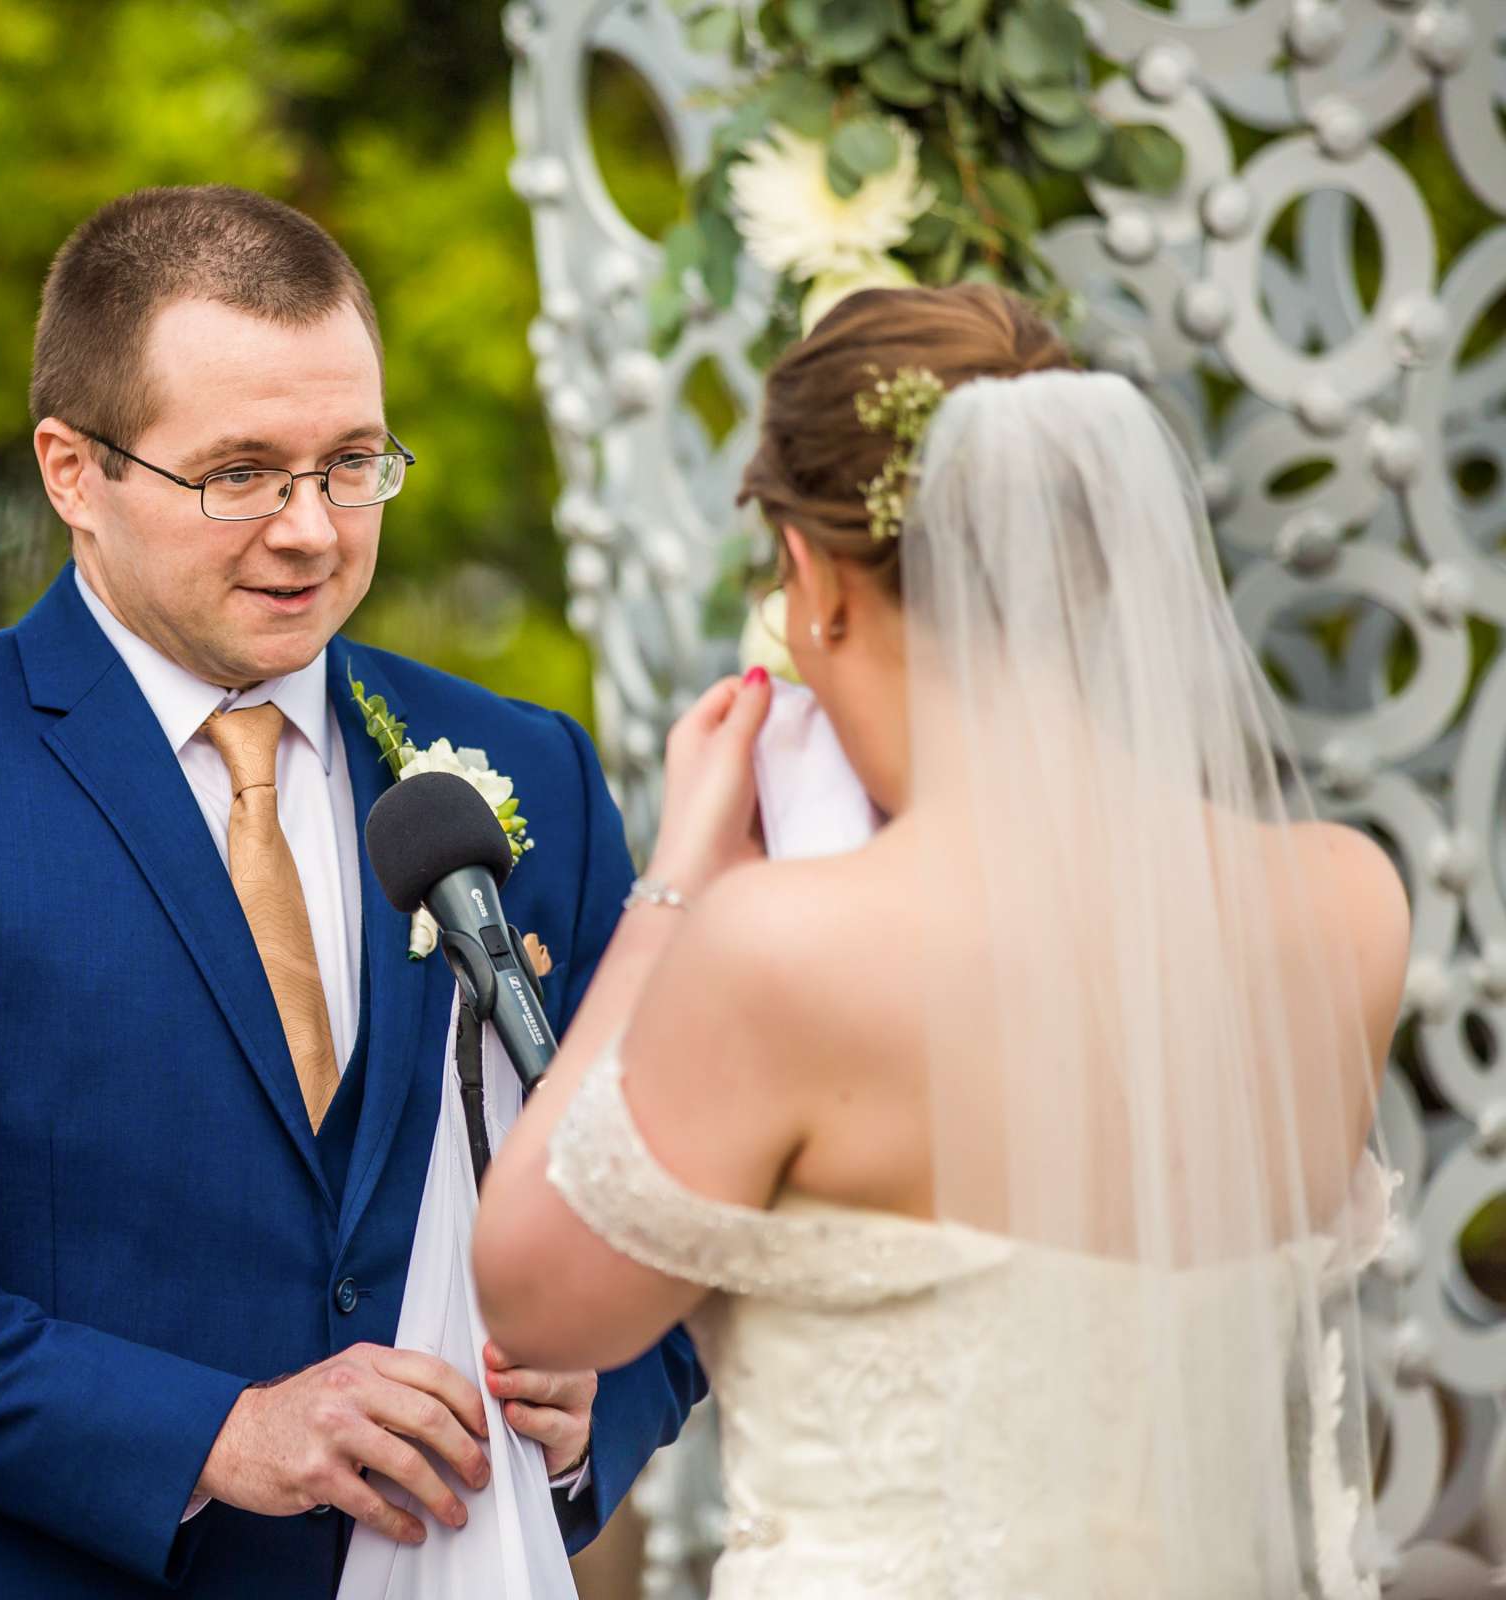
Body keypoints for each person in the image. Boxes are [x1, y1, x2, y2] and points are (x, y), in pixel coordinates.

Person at [0, 185, 703, 1600]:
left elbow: (661, 1198)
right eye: (239, 473)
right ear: (72, 471)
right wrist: (219, 1433)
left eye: (352, 462)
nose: (312, 529)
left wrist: (596, 1411)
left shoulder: (512, 770)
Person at [472, 284, 1409, 1597]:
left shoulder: (784, 953)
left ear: (817, 582)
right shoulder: (1342, 905)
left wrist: (677, 885)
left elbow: (529, 1292)